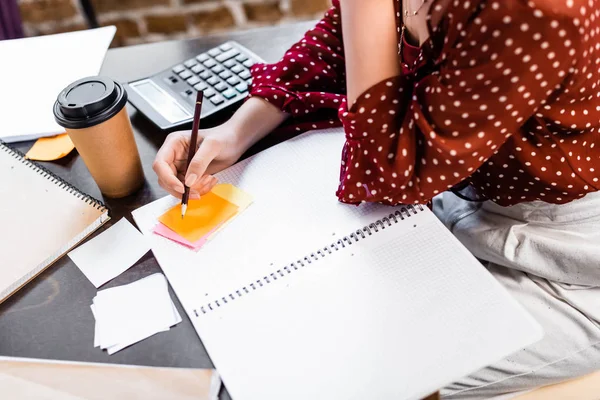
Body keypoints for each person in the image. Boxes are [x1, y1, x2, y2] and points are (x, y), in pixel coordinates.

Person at [153, 0, 600, 397]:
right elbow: (341, 37)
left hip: (566, 255)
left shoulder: (533, 9)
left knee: (336, 375)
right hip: (460, 185)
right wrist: (236, 130)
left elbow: (385, 176)